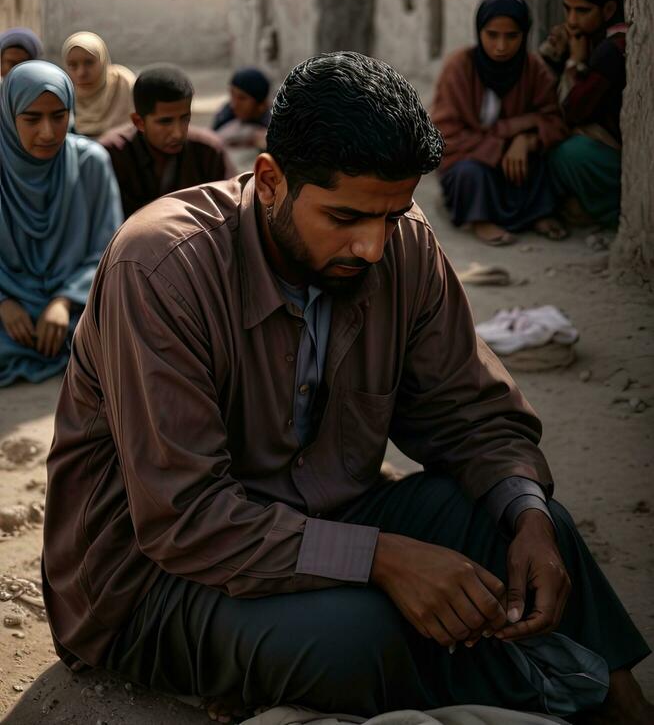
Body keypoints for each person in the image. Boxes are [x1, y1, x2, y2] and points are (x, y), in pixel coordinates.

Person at [43, 52, 651, 724]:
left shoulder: (402, 242)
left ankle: (623, 701)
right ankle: (565, 692)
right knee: (365, 635)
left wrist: (528, 514)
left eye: (391, 217)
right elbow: (186, 517)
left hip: (328, 519)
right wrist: (381, 560)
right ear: (270, 181)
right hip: (154, 581)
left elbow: (472, 414)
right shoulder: (160, 268)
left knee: (540, 529)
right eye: (344, 219)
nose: (371, 248)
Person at [0, 61, 122, 387]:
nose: (48, 132)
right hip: (7, 308)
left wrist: (64, 300)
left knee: (124, 331)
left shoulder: (90, 162)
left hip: (78, 305)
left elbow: (110, 248)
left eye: (59, 115)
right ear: (9, 117)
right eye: (31, 118)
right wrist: (4, 303)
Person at [431, 0, 568, 246]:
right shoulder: (459, 67)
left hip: (516, 162)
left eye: (511, 36)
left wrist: (526, 141)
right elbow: (443, 135)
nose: (501, 46)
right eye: (492, 35)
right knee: (469, 174)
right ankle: (480, 219)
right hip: (471, 158)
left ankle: (537, 213)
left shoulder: (533, 69)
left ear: (524, 35)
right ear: (479, 31)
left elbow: (555, 122)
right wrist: (504, 141)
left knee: (540, 161)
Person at [542, 0, 626, 229]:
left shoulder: (612, 49)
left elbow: (572, 112)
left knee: (564, 152)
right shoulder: (591, 39)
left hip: (617, 157)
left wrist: (575, 63)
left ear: (609, 10)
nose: (572, 20)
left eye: (582, 11)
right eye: (568, 9)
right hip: (604, 145)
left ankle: (612, 213)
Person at [100, 63, 235, 218]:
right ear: (139, 122)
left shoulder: (208, 150)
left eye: (185, 119)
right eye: (165, 122)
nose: (177, 133)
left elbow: (232, 209)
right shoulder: (113, 154)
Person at [62, 31, 135, 138]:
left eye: (89, 62)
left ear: (103, 59)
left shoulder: (123, 83)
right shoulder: (64, 93)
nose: (81, 73)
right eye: (72, 65)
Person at [212, 66, 271, 148]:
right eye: (232, 95)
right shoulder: (226, 114)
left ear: (261, 105)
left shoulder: (274, 122)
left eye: (242, 98)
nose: (233, 105)